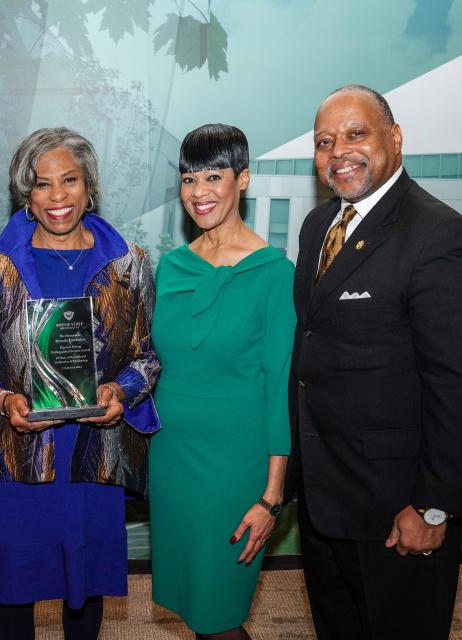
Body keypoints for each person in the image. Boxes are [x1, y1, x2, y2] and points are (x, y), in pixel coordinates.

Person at [285, 85, 462, 640]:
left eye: (356, 134)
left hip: (396, 511)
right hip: (326, 502)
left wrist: (432, 508)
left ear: (394, 139)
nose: (339, 151)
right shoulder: (318, 229)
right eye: (325, 142)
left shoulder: (442, 237)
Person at [0, 127, 160, 640]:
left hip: (94, 449)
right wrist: (2, 398)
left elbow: (148, 357)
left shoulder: (128, 263)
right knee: (13, 589)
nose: (57, 196)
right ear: (26, 193)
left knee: (83, 589)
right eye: (42, 185)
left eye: (70, 181)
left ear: (90, 187)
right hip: (15, 448)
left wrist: (120, 392)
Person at [148, 123, 296, 640]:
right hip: (172, 460)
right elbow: (148, 361)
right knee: (194, 608)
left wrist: (271, 497)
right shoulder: (171, 268)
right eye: (189, 179)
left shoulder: (276, 274)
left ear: (244, 179)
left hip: (235, 466)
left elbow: (280, 389)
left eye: (214, 176)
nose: (199, 192)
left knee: (220, 617)